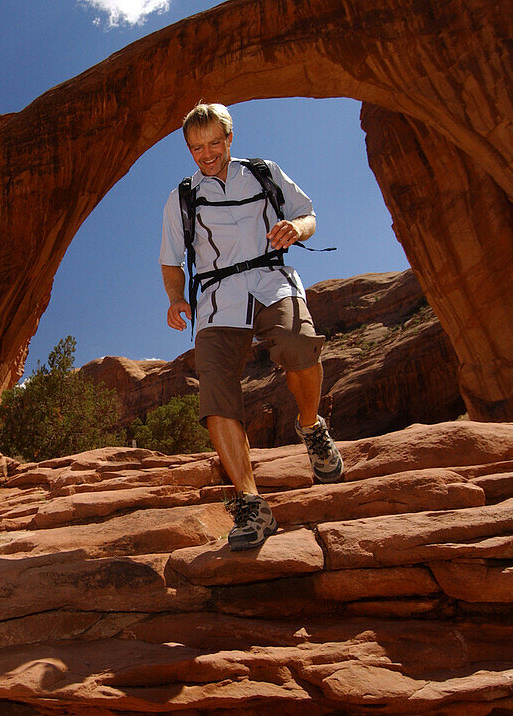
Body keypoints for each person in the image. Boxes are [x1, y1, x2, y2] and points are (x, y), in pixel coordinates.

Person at [160, 102, 342, 552]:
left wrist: (295, 230)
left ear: (230, 138)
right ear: (189, 148)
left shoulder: (263, 172)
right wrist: (176, 298)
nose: (206, 154)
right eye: (196, 147)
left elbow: (309, 215)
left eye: (214, 144)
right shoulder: (183, 196)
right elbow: (170, 257)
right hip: (218, 302)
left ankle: (311, 428)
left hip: (272, 282)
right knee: (216, 391)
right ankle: (250, 502)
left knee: (300, 345)